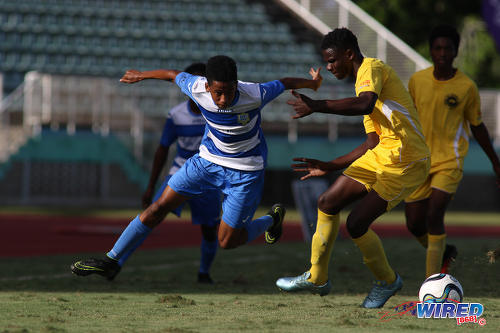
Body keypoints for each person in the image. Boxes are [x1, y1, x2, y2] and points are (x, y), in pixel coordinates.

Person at [70, 55, 323, 280]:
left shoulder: (256, 93)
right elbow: (172, 75)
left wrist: (312, 84)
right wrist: (141, 75)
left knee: (227, 241)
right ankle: (112, 261)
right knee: (158, 208)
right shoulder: (196, 87)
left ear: (238, 84)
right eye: (217, 93)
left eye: (229, 91)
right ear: (207, 86)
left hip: (245, 172)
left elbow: (285, 81)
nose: (223, 99)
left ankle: (271, 220)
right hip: (205, 163)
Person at [275, 28, 430, 309]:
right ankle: (316, 277)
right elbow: (372, 141)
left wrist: (318, 105)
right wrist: (329, 166)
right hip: (384, 153)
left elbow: (365, 104)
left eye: (333, 61)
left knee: (356, 224)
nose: (330, 67)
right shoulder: (361, 82)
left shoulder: (372, 69)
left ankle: (387, 281)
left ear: (349, 54)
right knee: (327, 201)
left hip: (407, 160)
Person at [104, 63, 222, 284]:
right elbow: (162, 148)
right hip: (180, 173)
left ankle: (204, 273)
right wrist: (150, 186)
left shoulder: (218, 112)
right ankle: (115, 264)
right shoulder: (176, 115)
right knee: (152, 216)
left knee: (209, 230)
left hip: (208, 177)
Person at [404, 25, 500, 278]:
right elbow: (407, 118)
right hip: (418, 161)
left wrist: (495, 162)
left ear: (456, 52)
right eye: (438, 48)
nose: (443, 53)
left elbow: (477, 127)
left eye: (448, 48)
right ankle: (444, 251)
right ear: (431, 51)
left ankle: (430, 284)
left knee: (434, 213)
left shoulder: (466, 86)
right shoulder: (417, 81)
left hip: (450, 160)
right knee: (414, 224)